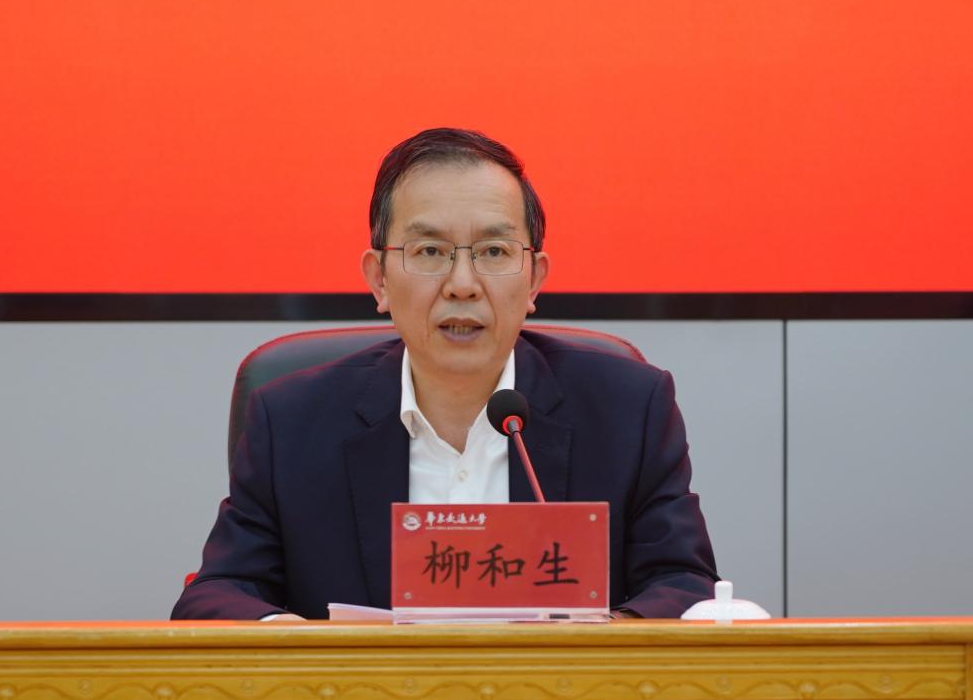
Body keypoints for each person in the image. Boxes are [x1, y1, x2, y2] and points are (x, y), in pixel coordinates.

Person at [172, 128, 717, 621]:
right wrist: (291, 643)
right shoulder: (290, 423)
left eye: (494, 251)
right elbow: (217, 594)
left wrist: (605, 639)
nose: (462, 284)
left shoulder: (628, 410)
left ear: (534, 280)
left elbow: (686, 586)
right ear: (379, 279)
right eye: (430, 250)